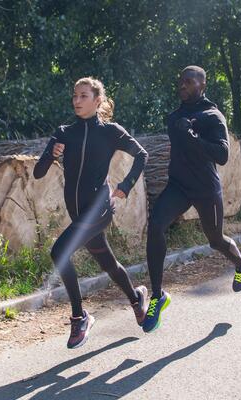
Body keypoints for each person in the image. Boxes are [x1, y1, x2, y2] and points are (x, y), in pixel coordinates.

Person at [34, 77, 149, 349]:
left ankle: (79, 317)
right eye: (74, 96)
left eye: (83, 96)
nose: (76, 101)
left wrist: (126, 185)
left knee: (59, 251)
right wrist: (52, 153)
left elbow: (142, 154)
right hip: (78, 213)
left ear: (97, 101)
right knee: (107, 263)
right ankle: (136, 298)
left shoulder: (110, 132)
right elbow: (38, 172)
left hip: (99, 209)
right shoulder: (63, 132)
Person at [142, 65, 241, 333]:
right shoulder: (173, 117)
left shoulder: (213, 116)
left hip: (206, 189)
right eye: (180, 81)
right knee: (156, 225)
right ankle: (158, 296)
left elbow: (222, 155)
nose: (182, 85)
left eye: (188, 81)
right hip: (179, 186)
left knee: (215, 240)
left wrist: (193, 137)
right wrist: (184, 132)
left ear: (202, 85)